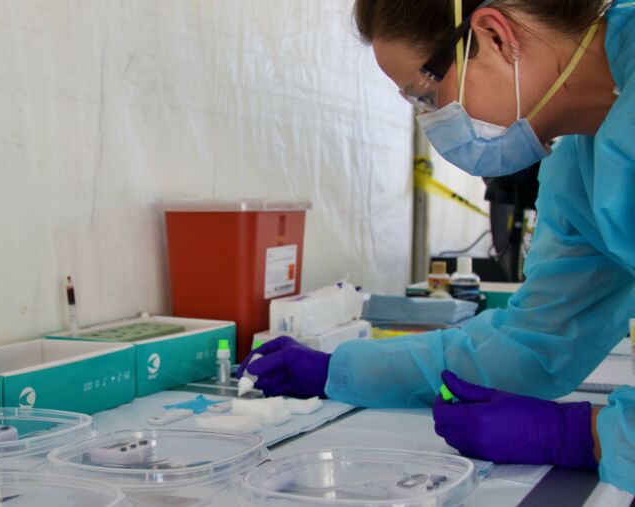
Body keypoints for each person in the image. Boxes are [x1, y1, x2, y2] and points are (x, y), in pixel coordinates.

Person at [237, 0, 635, 495]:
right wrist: (334, 369)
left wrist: (590, 435)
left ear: (492, 36)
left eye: (425, 94)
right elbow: (534, 345)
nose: (432, 118)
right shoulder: (582, 168)